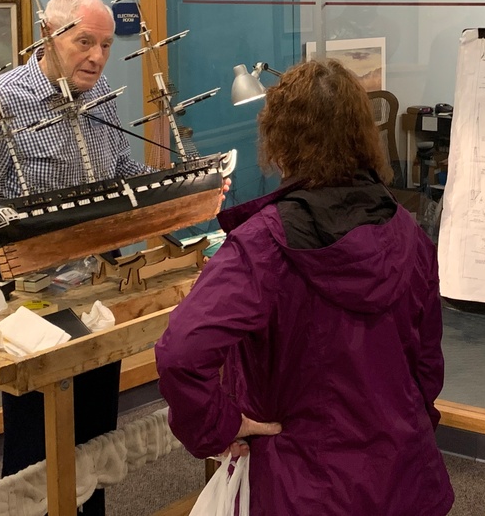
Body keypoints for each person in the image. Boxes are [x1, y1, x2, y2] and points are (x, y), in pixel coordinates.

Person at [155, 59, 454, 516]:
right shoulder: (407, 231)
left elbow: (181, 353)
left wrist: (219, 426)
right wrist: (410, 423)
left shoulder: (262, 245)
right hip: (399, 470)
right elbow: (427, 363)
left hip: (305, 484)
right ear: (361, 132)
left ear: (282, 137)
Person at [0, 0, 149, 516]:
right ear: (48, 34)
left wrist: (166, 188)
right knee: (36, 428)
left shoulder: (100, 91)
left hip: (99, 279)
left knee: (95, 428)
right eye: (85, 42)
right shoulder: (1, 100)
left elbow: (123, 172)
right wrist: (24, 230)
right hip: (32, 284)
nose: (97, 57)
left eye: (105, 45)